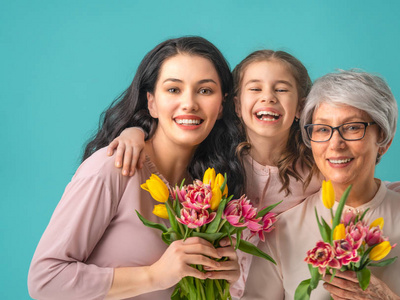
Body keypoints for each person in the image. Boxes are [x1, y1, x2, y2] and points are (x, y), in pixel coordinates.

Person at [110, 50, 400, 297]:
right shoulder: (210, 161)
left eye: (281, 89)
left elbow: (360, 182)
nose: (268, 97)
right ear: (236, 104)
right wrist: (134, 133)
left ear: (301, 107)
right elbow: (169, 146)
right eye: (255, 89)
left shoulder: (316, 166)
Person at [27, 36, 242, 299]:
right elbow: (45, 280)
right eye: (173, 89)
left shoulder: (206, 191)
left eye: (205, 90)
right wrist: (154, 275)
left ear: (221, 105)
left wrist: (222, 281)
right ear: (151, 102)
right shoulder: (113, 167)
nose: (189, 103)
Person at [242, 70, 400, 299]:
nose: (335, 144)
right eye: (322, 129)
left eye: (352, 127)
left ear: (383, 140)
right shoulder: (281, 232)